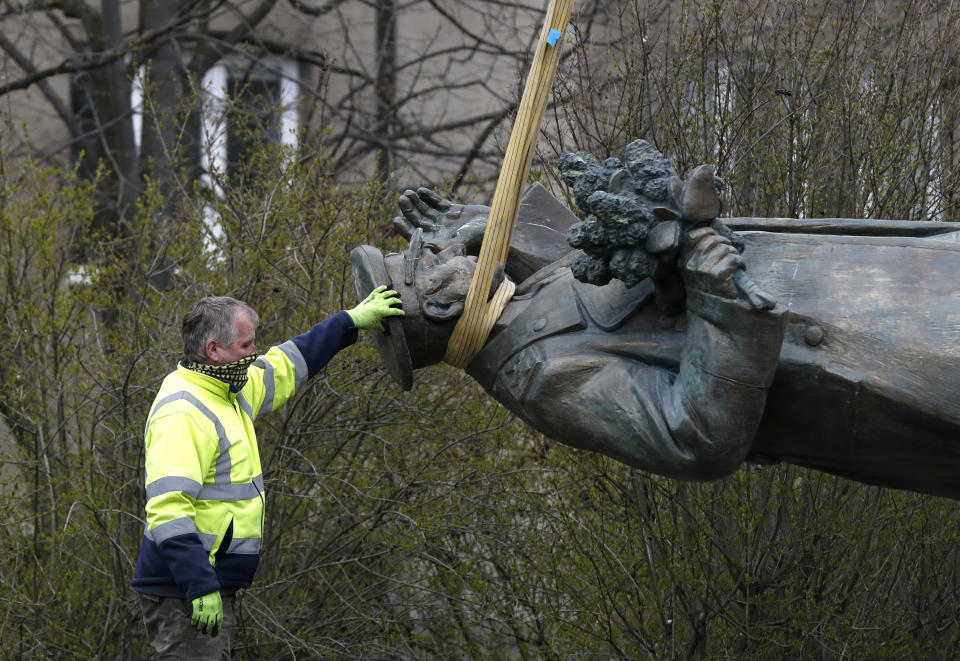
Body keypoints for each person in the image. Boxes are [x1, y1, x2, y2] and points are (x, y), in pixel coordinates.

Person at [351, 175, 960, 500]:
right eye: (423, 260)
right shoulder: (539, 377)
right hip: (867, 353)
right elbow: (695, 437)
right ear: (436, 302)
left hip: (868, 278)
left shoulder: (518, 299)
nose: (438, 247)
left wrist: (495, 230)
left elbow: (585, 264)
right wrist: (719, 303)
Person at [131, 288, 403, 658]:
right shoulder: (184, 412)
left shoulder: (228, 388)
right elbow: (168, 510)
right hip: (184, 590)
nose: (254, 352)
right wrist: (200, 585)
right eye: (246, 345)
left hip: (204, 583)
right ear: (214, 350)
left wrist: (349, 321)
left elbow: (287, 364)